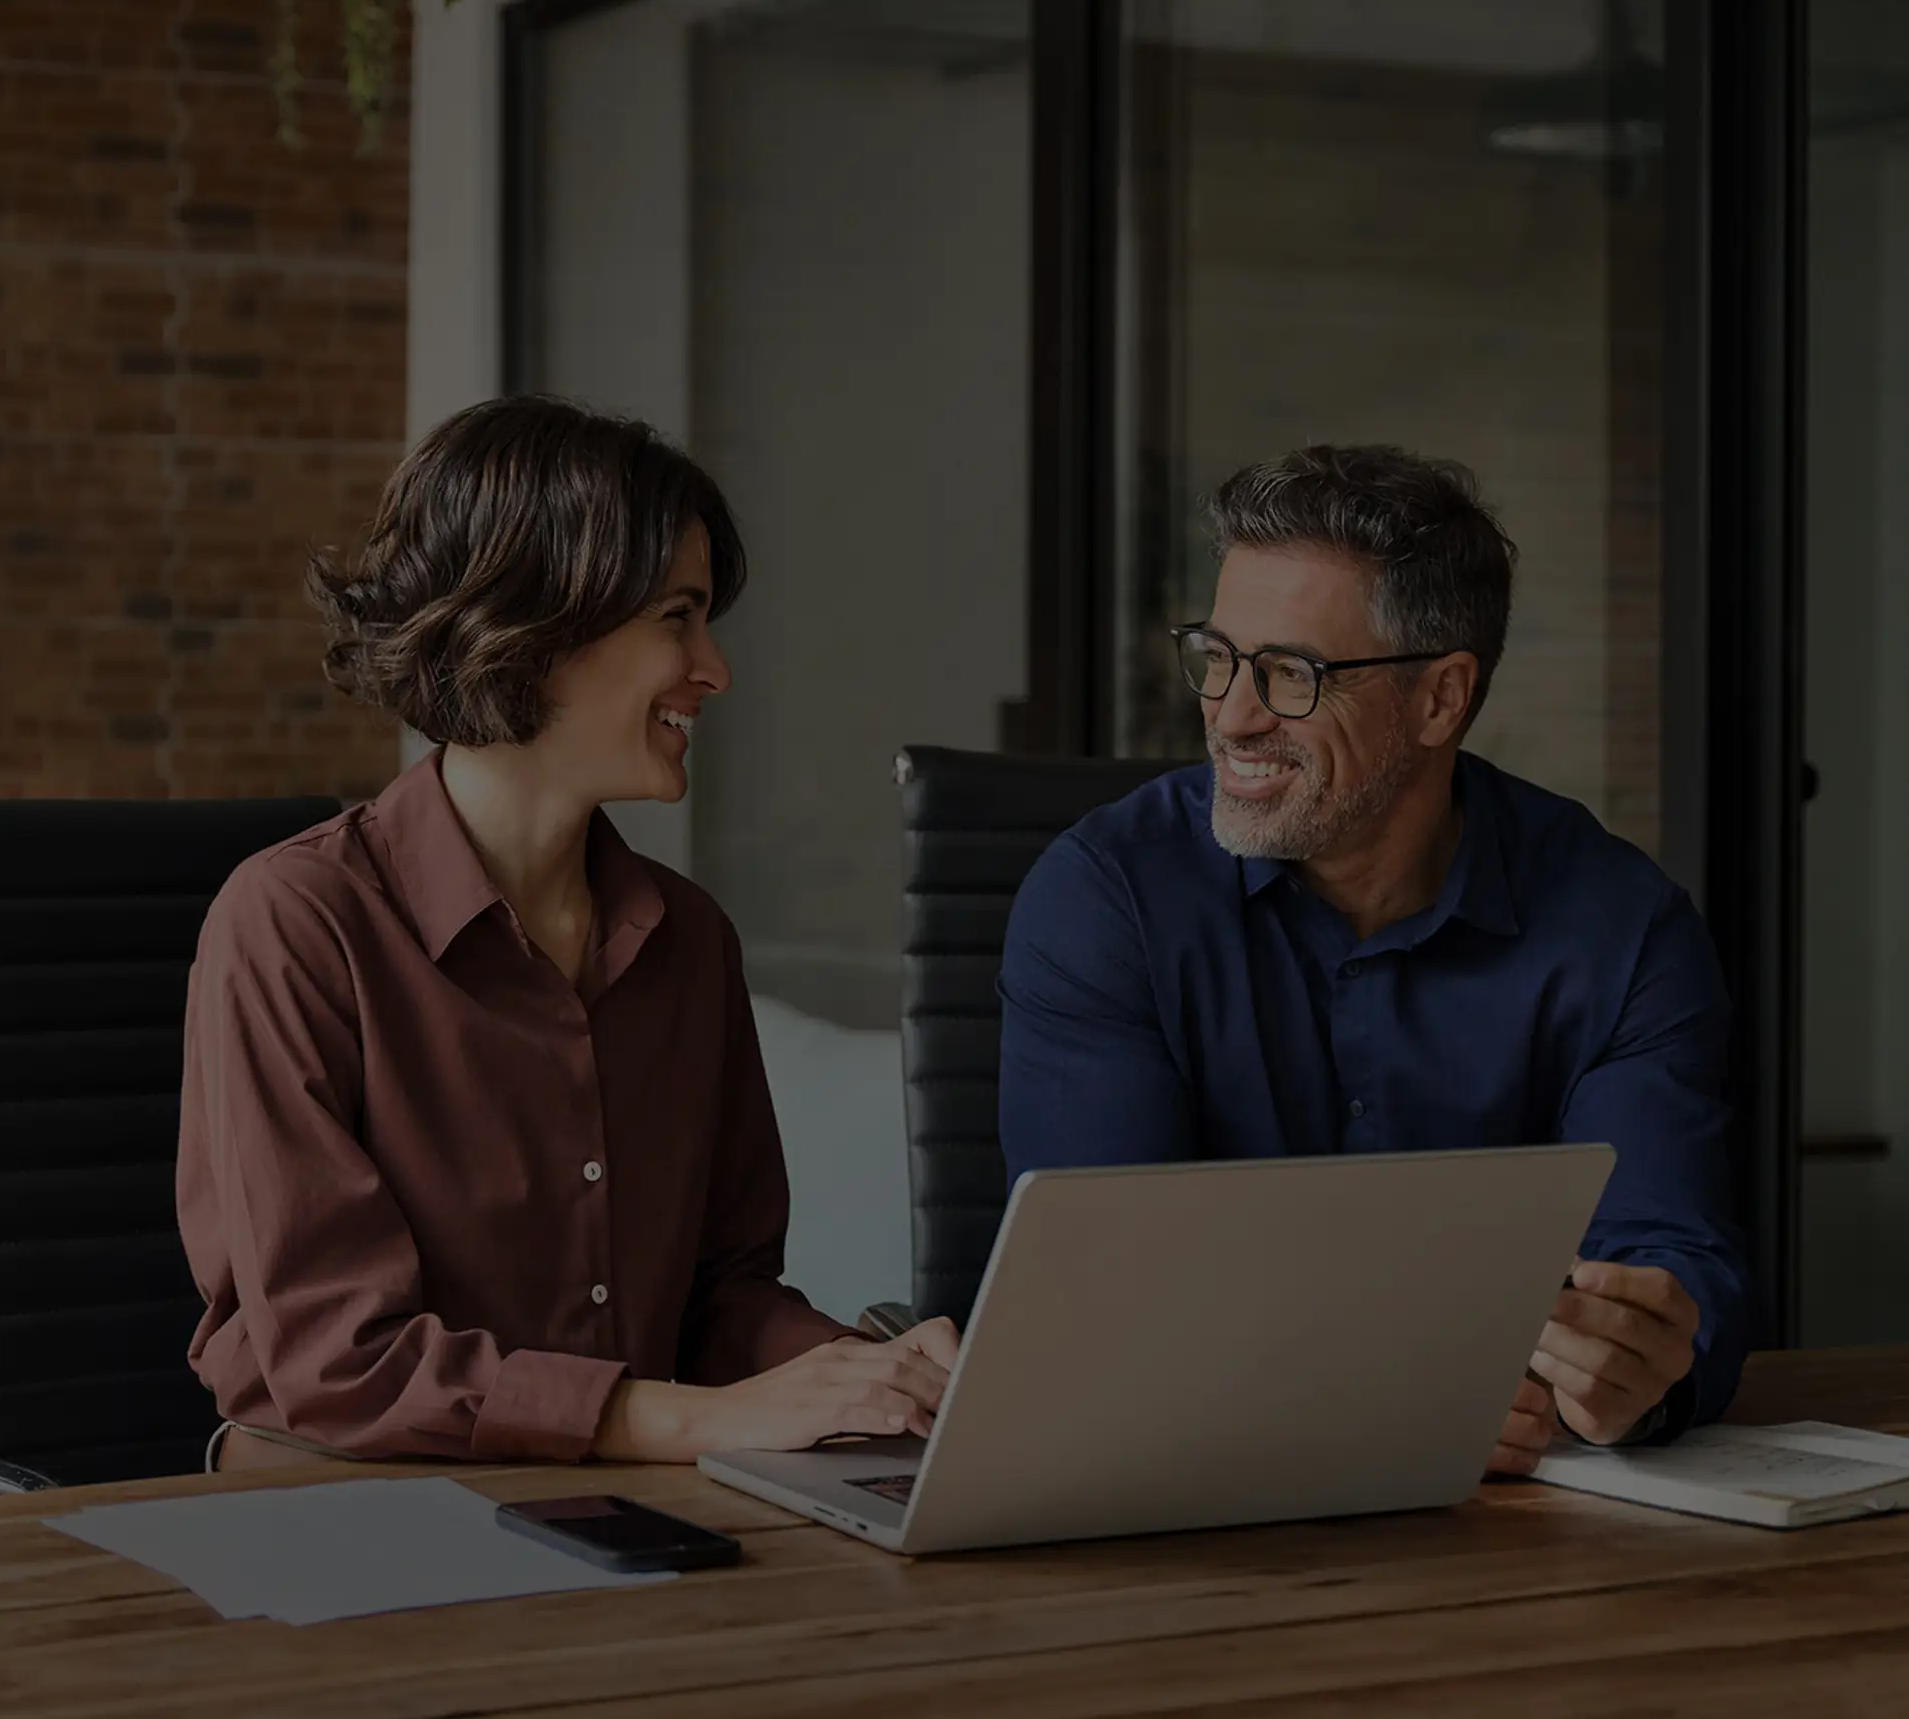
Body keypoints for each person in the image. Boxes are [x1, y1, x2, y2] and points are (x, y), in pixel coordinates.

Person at [177, 395, 958, 1465]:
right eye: (676, 617)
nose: (714, 669)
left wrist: (881, 1379)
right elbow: (340, 1358)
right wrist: (697, 1419)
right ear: (539, 629)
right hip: (352, 1507)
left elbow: (718, 1300)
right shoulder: (297, 926)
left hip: (626, 1500)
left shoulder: (687, 941)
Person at [996, 444, 1750, 1473]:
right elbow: (1093, 1292)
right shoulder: (1107, 898)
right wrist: (1381, 1395)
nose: (1230, 713)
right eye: (1215, 656)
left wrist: (1627, 1379)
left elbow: (1671, 1267)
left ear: (1442, 698)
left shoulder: (1623, 929)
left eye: (1290, 675)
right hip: (1167, 1510)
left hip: (1516, 1528)